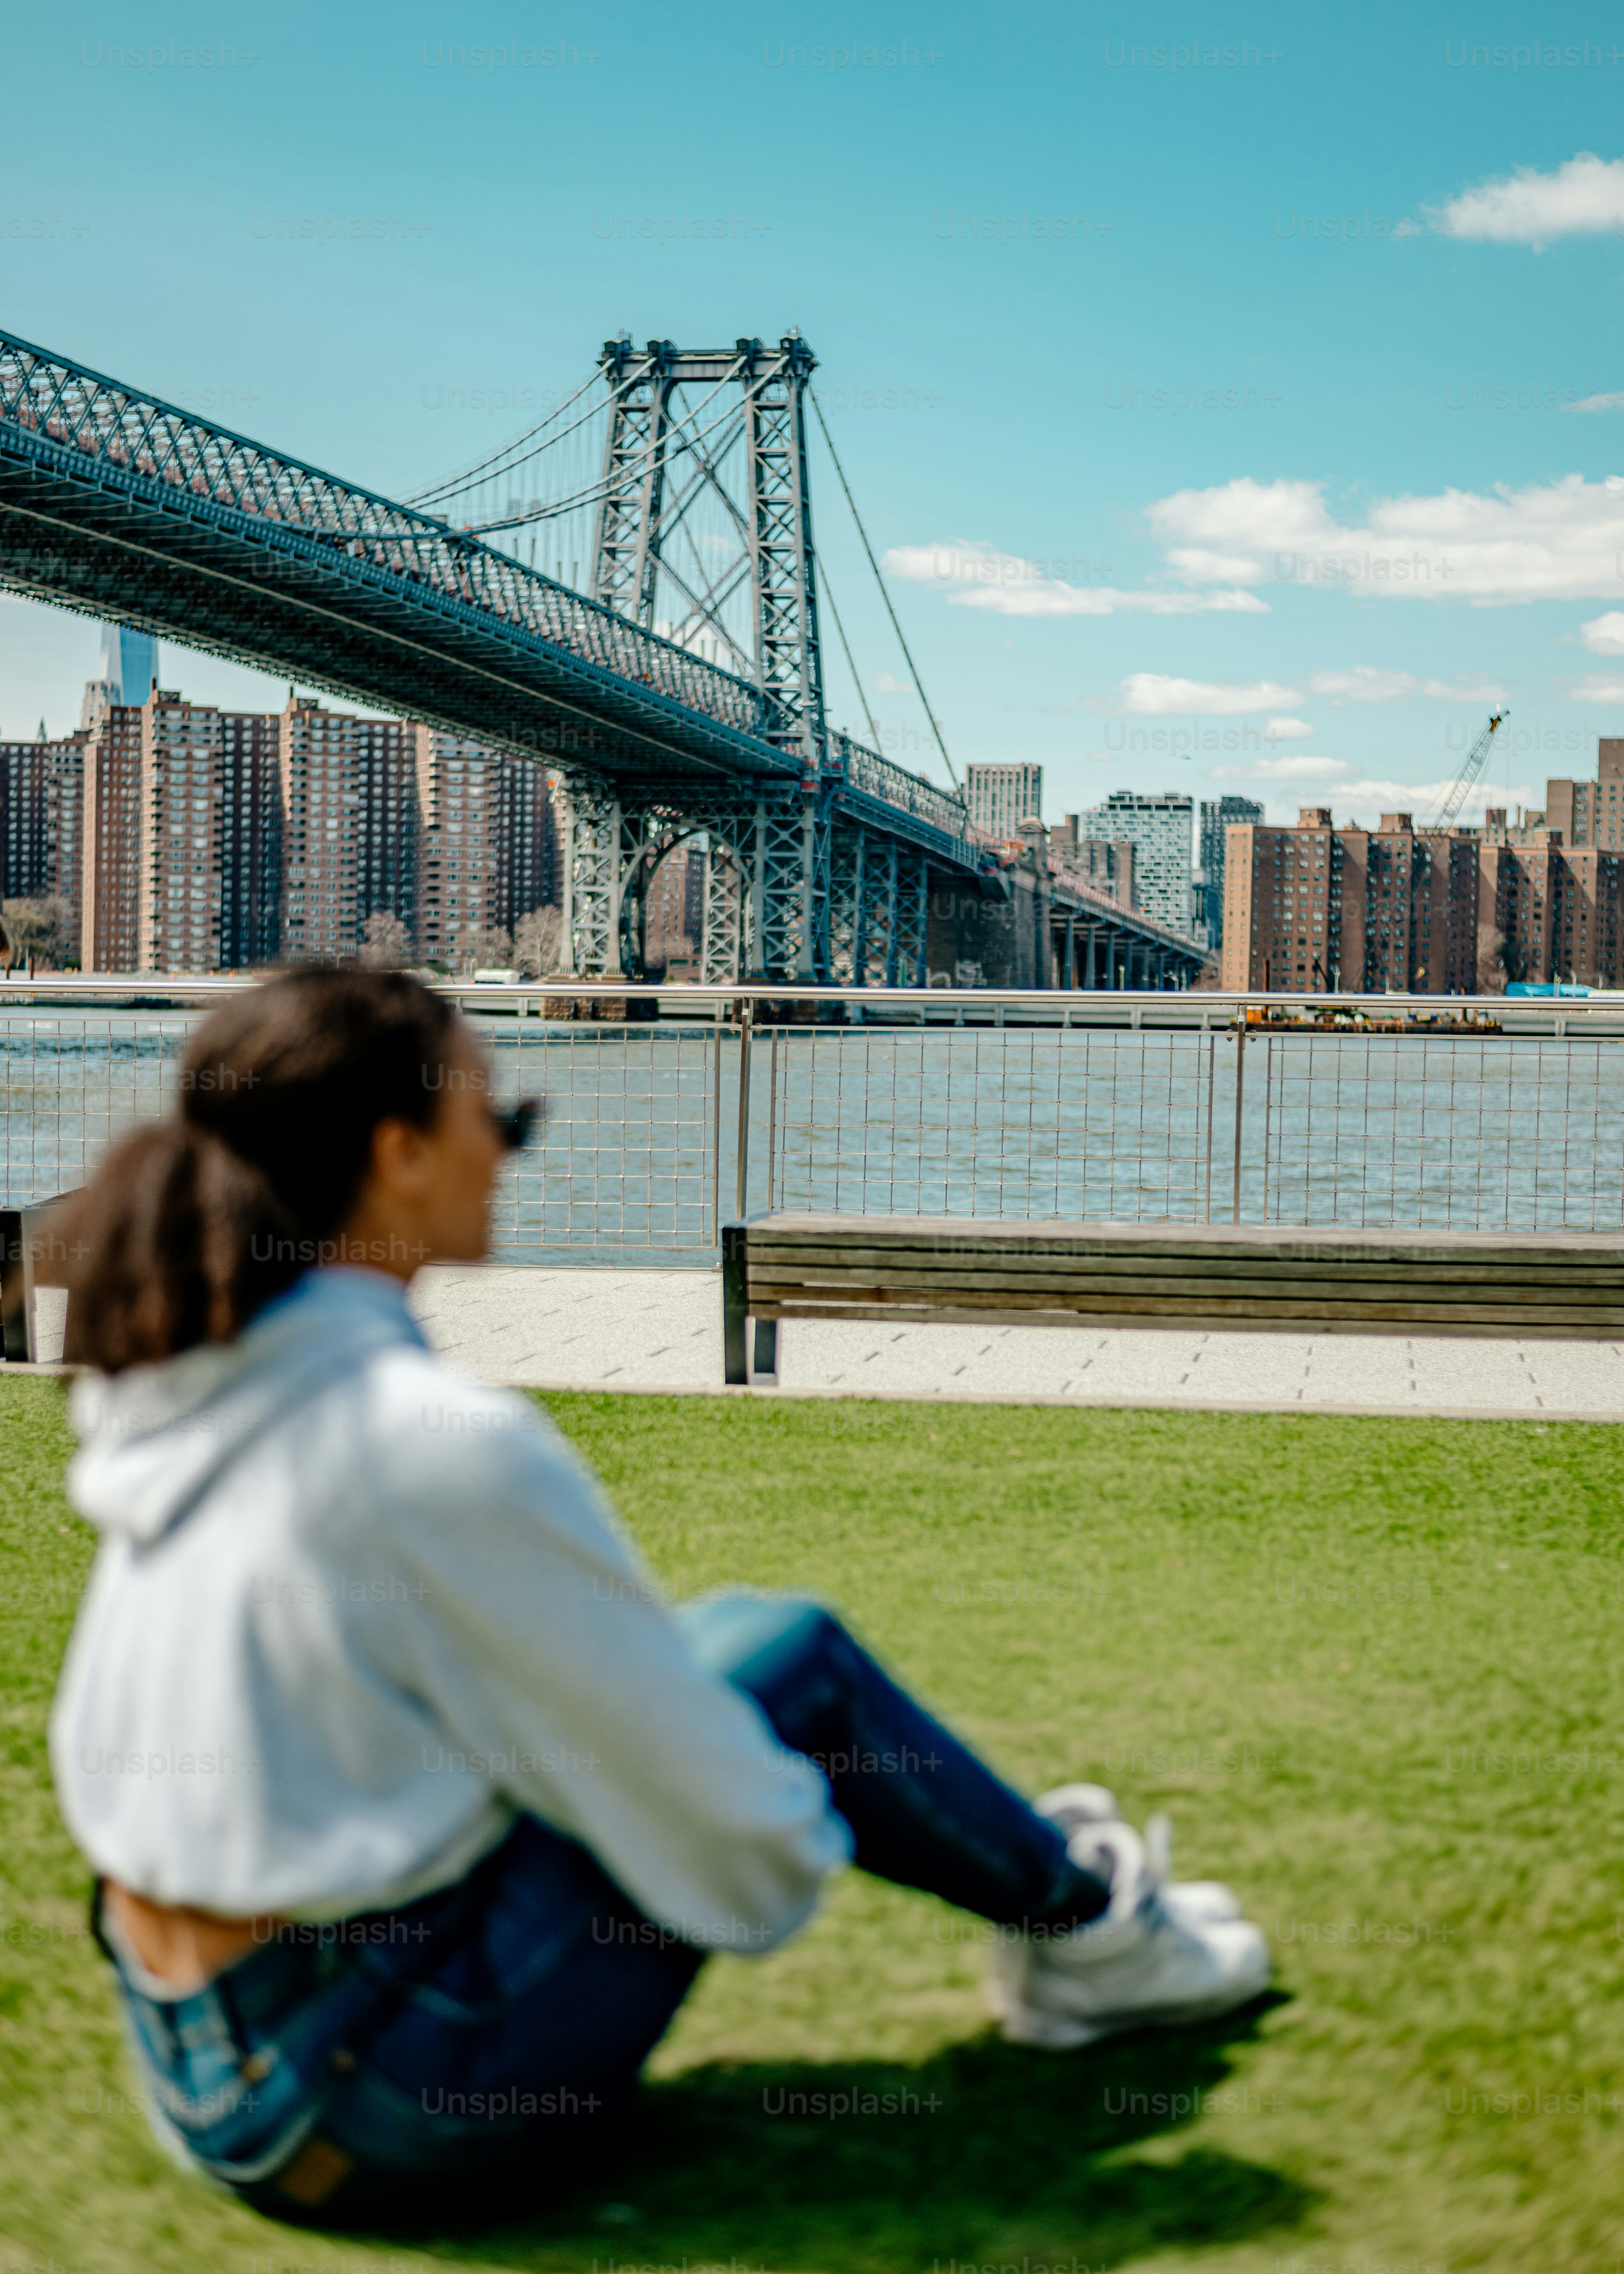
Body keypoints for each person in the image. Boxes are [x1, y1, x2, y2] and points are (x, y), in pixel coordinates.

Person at [46, 967, 1269, 2228]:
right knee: (791, 1664)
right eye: (501, 1119)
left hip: (191, 2065)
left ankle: (1072, 1909)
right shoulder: (422, 1439)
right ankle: (1091, 1938)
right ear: (401, 1152)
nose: (511, 1156)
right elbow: (743, 1853)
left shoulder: (187, 1397)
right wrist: (780, 1800)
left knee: (720, 1655)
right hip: (375, 2107)